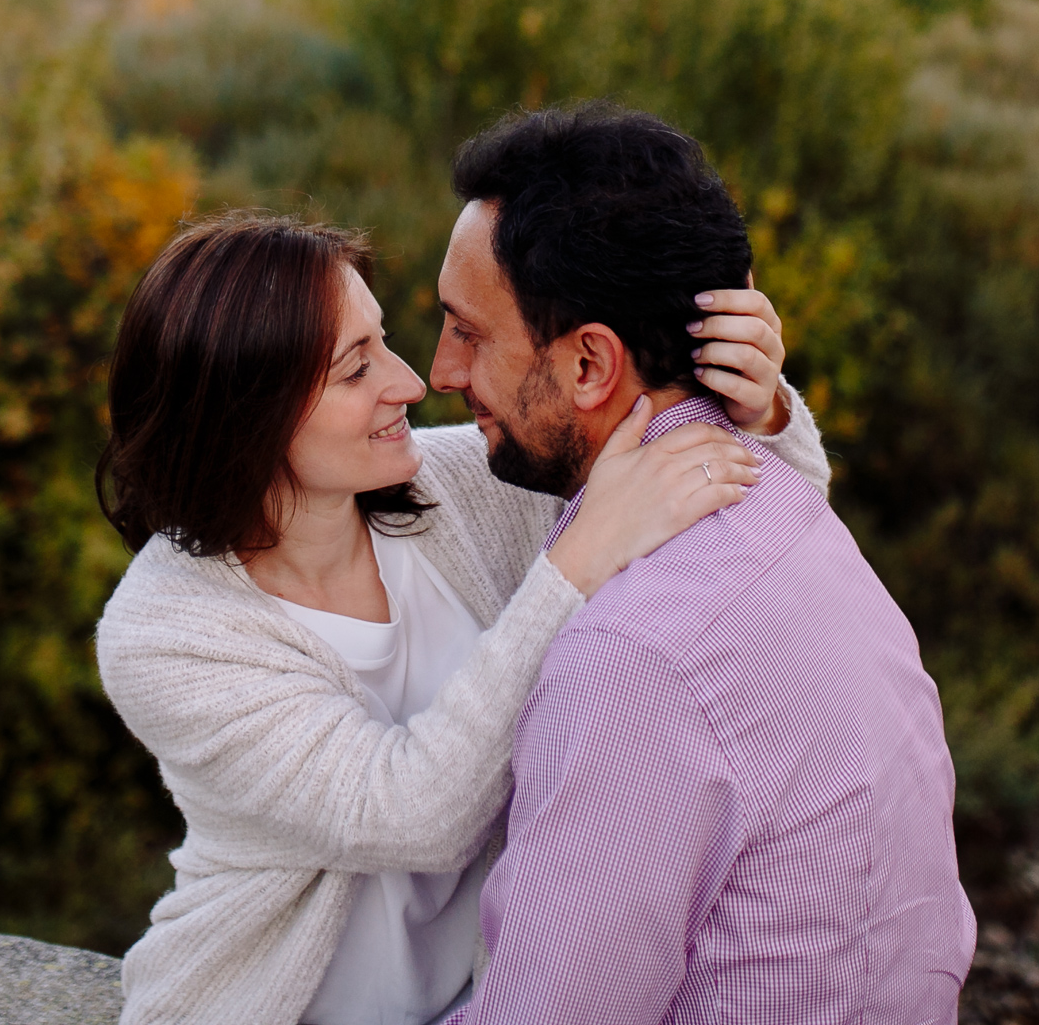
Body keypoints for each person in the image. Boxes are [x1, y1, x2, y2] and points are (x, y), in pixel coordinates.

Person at [92, 211, 832, 1025]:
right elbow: (412, 814)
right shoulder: (165, 633)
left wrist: (756, 412)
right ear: (247, 415)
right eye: (355, 369)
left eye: (384, 342)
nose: (409, 382)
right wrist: (577, 559)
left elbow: (729, 539)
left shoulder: (449, 487)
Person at [430, 104, 977, 1024]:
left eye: (468, 333)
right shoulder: (788, 509)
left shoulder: (633, 655)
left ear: (591, 365)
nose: (441, 371)